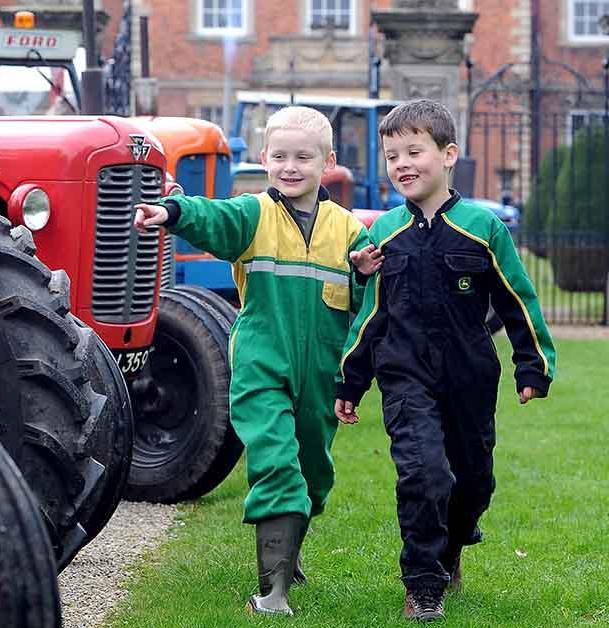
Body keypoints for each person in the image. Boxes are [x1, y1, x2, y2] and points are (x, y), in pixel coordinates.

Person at [133, 106, 382, 616]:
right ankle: (273, 592)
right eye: (280, 156)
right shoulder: (255, 215)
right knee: (275, 460)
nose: (290, 167)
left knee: (312, 471)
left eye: (303, 157)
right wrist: (175, 213)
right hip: (262, 366)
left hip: (320, 374)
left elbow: (366, 298)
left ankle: (289, 558)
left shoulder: (348, 231)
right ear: (265, 158)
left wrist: (361, 272)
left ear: (327, 163)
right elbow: (214, 218)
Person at [333, 99, 557, 622]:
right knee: (425, 474)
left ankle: (453, 547)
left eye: (414, 151)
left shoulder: (483, 227)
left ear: (448, 154)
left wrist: (533, 365)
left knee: (474, 481)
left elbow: (517, 299)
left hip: (469, 375)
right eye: (392, 156)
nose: (402, 164)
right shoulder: (383, 233)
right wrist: (351, 381)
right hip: (404, 373)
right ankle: (423, 583)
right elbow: (370, 314)